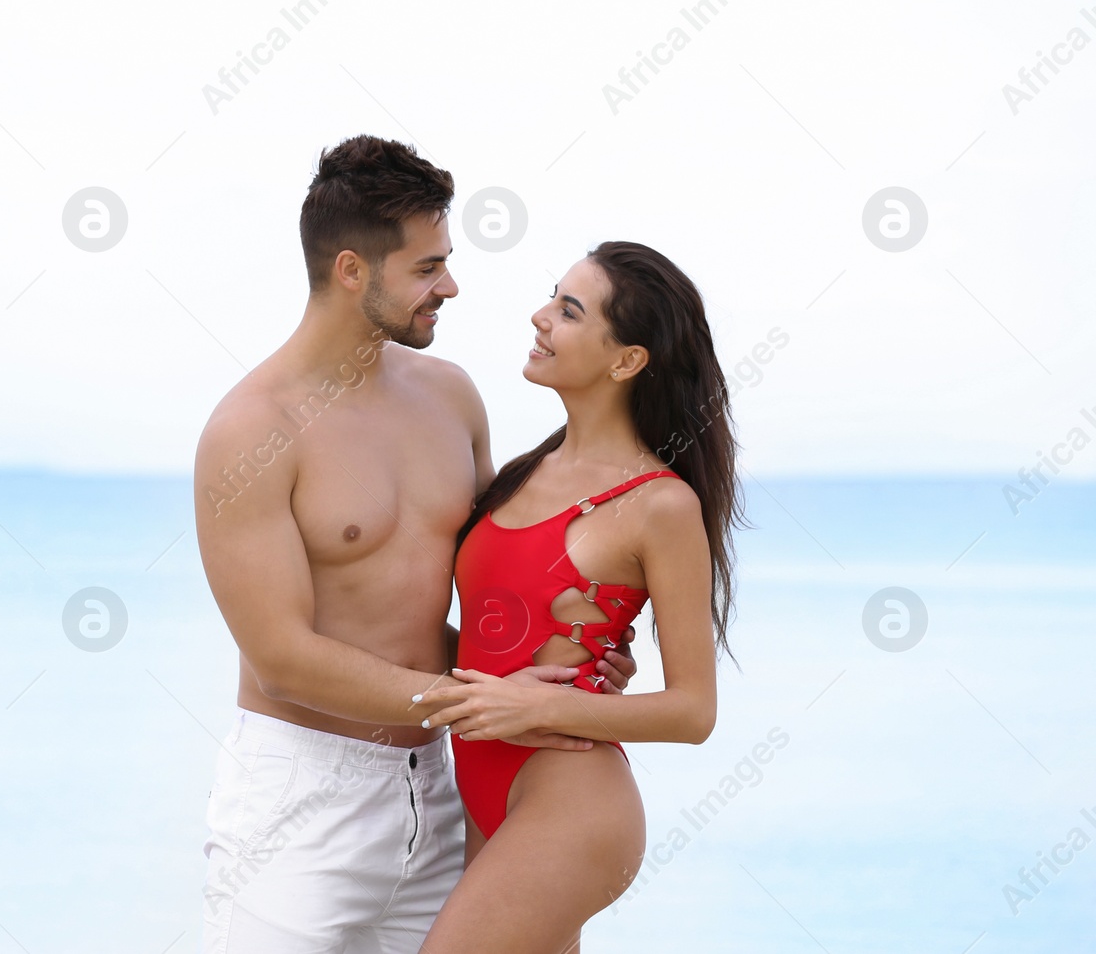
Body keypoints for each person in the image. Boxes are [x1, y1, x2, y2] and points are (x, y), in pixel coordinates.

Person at [192, 136, 640, 953]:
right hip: (298, 802)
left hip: (437, 788)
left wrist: (573, 648)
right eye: (427, 267)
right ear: (353, 271)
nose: (451, 286)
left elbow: (497, 577)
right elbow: (281, 657)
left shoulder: (450, 396)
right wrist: (481, 701)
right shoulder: (251, 430)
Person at [414, 241, 741, 952]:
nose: (540, 318)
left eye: (568, 310)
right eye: (551, 297)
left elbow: (695, 710)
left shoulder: (661, 505)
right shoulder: (520, 473)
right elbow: (492, 630)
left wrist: (544, 703)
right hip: (481, 787)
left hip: (574, 802)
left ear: (627, 360)